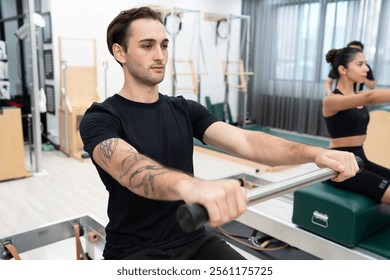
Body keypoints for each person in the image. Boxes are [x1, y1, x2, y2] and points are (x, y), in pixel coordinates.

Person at [79, 6, 359, 260]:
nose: (160, 55)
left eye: (164, 45)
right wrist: (195, 187)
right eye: (147, 45)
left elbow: (247, 141)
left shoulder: (184, 109)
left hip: (194, 239)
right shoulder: (101, 117)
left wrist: (317, 153)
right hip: (134, 252)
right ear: (120, 53)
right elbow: (130, 168)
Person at [323, 46, 390, 205]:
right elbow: (371, 97)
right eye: (360, 64)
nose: (366, 69)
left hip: (361, 159)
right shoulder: (332, 100)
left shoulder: (357, 95)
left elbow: (370, 95)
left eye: (366, 64)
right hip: (340, 165)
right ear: (343, 69)